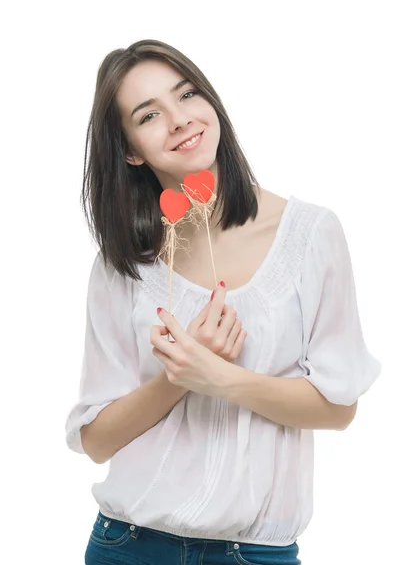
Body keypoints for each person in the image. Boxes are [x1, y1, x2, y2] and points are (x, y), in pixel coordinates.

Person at [65, 39, 381, 565]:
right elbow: (96, 441)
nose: (180, 119)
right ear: (130, 150)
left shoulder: (311, 235)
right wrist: (175, 378)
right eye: (149, 115)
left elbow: (338, 407)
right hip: (128, 543)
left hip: (255, 553)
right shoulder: (123, 265)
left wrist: (217, 376)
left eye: (187, 94)